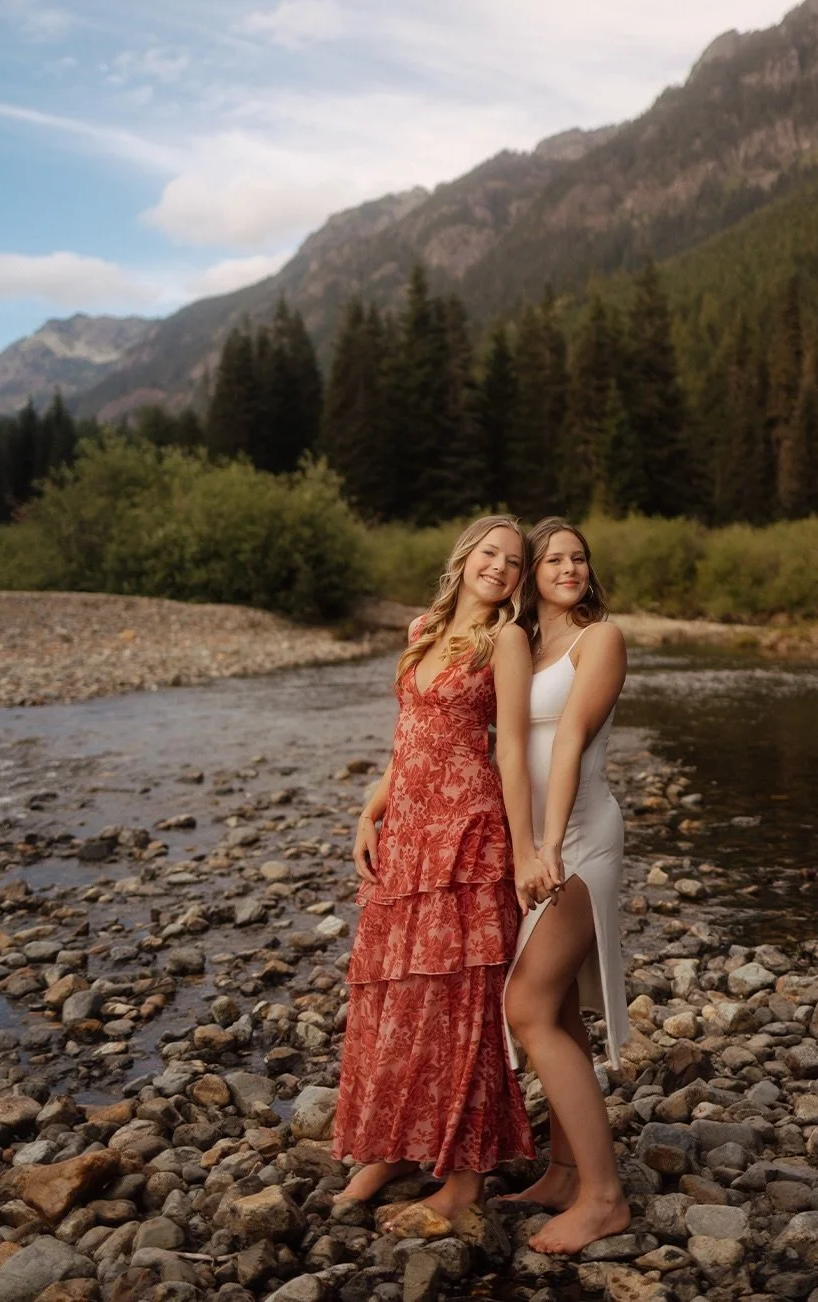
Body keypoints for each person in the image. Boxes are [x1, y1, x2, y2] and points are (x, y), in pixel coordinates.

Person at [332, 514, 556, 1221]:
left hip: (468, 834)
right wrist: (372, 808)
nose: (500, 566)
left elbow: (512, 752)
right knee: (395, 995)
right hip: (408, 831)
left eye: (514, 562)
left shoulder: (507, 641)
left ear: (519, 581)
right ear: (465, 558)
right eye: (491, 552)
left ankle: (463, 1182)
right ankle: (391, 1146)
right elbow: (407, 738)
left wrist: (525, 852)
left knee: (463, 1002)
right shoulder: (422, 631)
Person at [502, 515, 633, 1255]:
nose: (570, 566)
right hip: (544, 843)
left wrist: (544, 847)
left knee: (525, 1004)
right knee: (554, 1007)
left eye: (578, 556)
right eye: (554, 557)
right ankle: (562, 1169)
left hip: (581, 838)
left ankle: (605, 1198)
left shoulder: (598, 638)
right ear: (531, 572)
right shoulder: (526, 642)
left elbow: (573, 739)